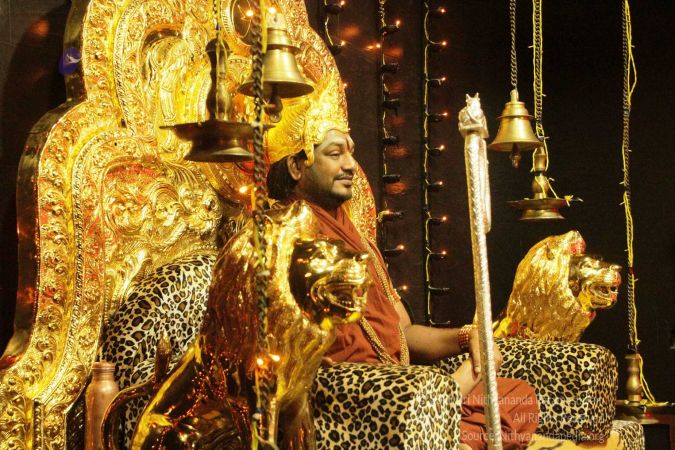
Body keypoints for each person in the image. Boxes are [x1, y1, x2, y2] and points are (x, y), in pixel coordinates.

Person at [265, 128, 539, 449]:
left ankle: (448, 435)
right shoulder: (286, 239)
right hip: (351, 399)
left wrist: (470, 337)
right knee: (457, 406)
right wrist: (462, 381)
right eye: (335, 154)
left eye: (351, 152)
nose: (351, 165)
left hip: (403, 388)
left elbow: (404, 332)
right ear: (296, 167)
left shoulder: (360, 242)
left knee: (517, 397)